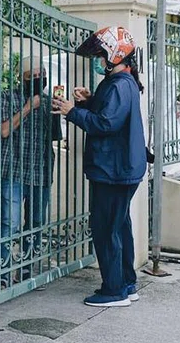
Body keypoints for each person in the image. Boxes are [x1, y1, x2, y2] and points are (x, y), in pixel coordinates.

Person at [52, 26, 146, 308]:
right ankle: (126, 283)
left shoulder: (120, 85)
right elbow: (109, 113)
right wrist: (89, 101)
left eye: (102, 55)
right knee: (119, 228)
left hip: (113, 170)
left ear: (116, 55)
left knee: (106, 229)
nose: (99, 60)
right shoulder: (122, 83)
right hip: (120, 168)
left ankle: (114, 290)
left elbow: (106, 124)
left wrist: (73, 111)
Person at [0, 57, 59, 290]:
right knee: (10, 223)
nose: (39, 79)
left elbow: (56, 136)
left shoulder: (50, 101)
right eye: (33, 76)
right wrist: (29, 106)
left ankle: (27, 270)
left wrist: (60, 109)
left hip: (40, 169)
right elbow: (4, 130)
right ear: (23, 78)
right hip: (13, 168)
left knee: (36, 222)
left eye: (42, 75)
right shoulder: (7, 97)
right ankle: (1, 275)